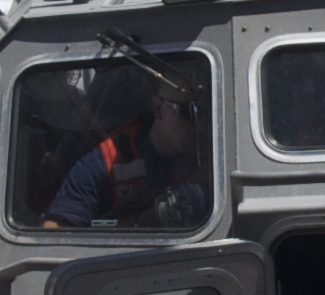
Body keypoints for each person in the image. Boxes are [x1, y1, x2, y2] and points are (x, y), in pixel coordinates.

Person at [41, 68, 209, 228]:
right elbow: (55, 228)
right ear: (158, 109)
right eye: (190, 112)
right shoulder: (109, 158)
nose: (201, 125)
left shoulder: (218, 156)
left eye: (207, 112)